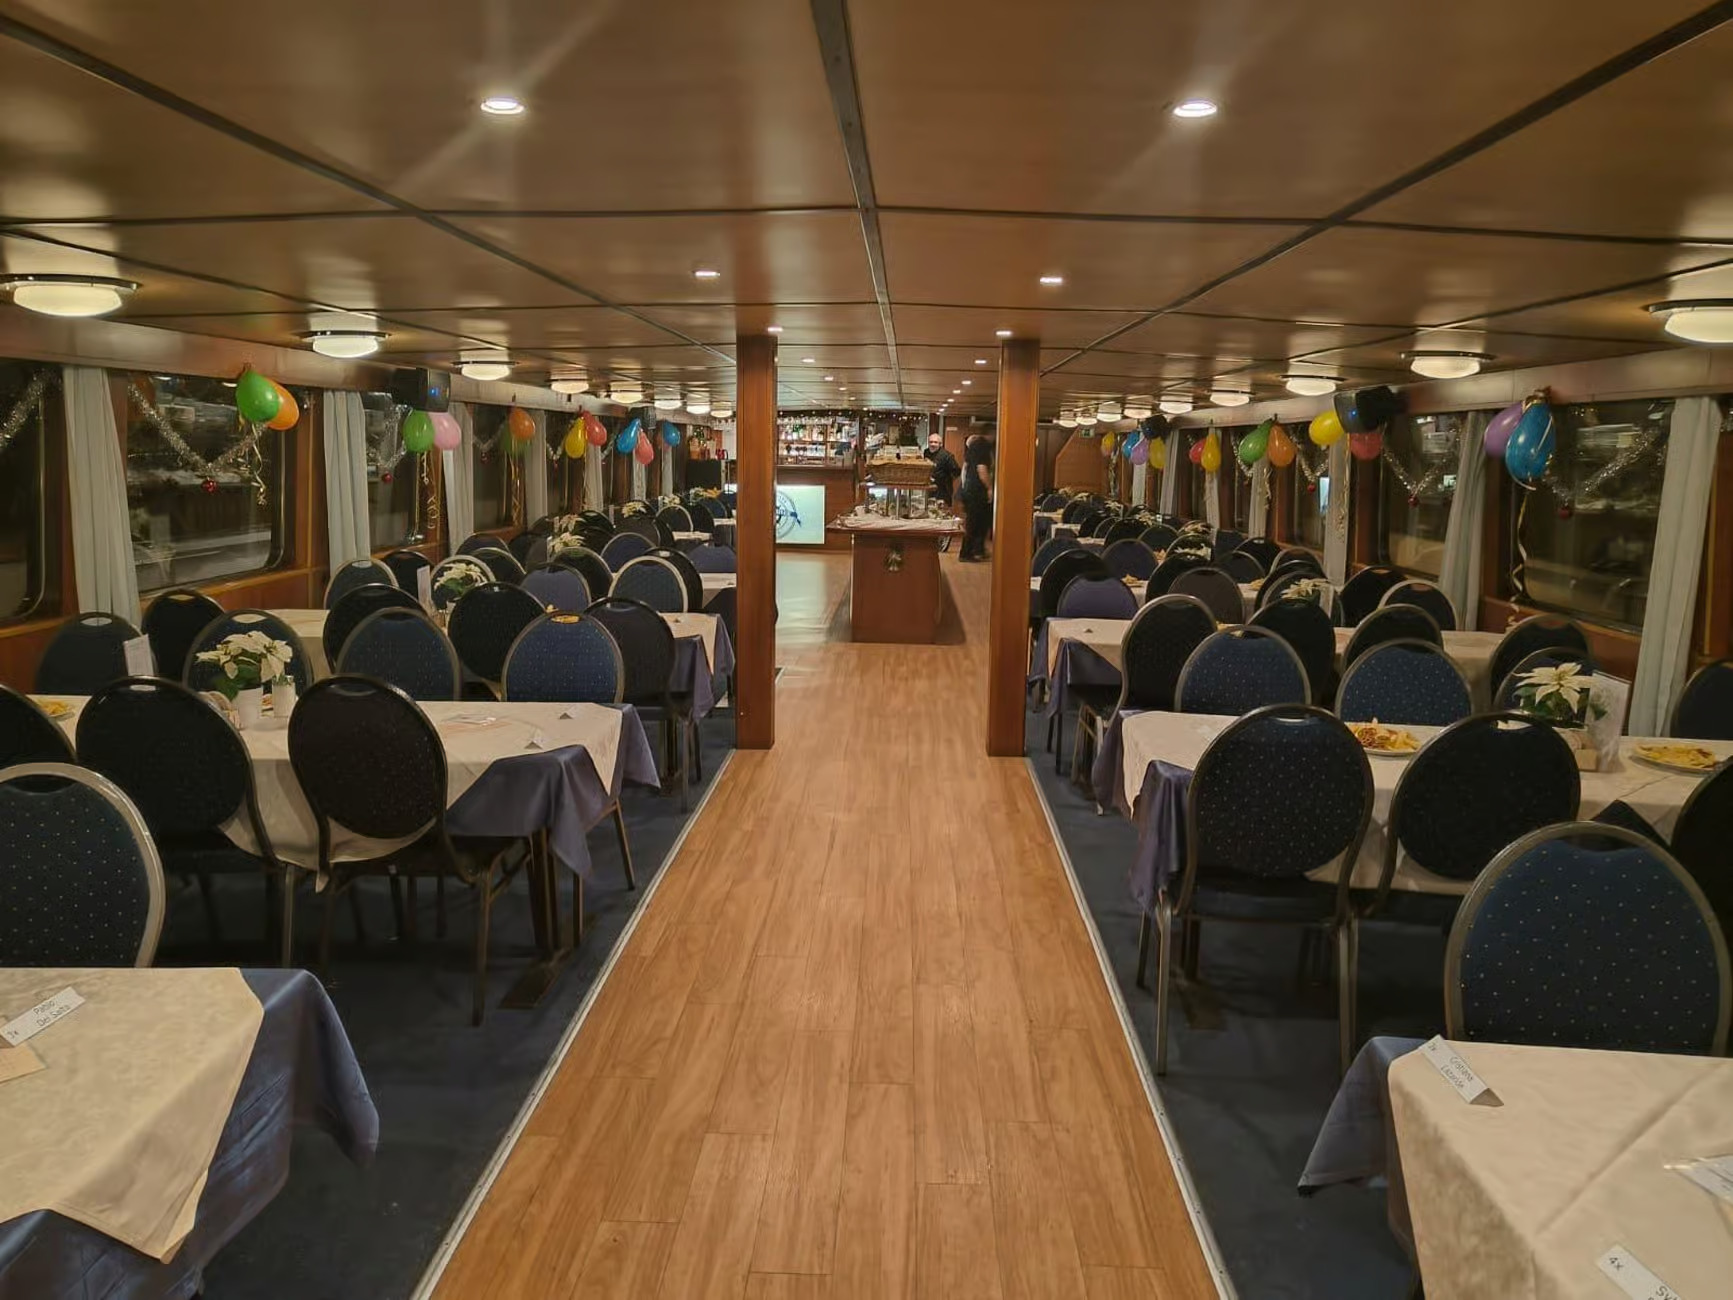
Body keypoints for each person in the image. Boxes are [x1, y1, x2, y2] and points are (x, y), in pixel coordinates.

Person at [959, 433, 993, 561]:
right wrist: (989, 488)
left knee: (976, 523)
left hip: (969, 491)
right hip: (977, 492)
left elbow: (964, 473)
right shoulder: (982, 449)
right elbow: (982, 470)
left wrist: (964, 488)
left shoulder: (970, 454)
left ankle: (976, 550)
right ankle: (967, 553)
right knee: (975, 524)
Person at [924, 433, 960, 506]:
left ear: (940, 444)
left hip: (943, 490)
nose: (933, 444)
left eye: (935, 442)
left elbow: (956, 471)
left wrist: (946, 479)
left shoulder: (947, 456)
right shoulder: (926, 452)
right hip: (929, 489)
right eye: (931, 442)